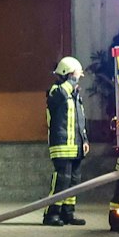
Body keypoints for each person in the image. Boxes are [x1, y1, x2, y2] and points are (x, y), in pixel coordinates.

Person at [42, 56, 89, 226]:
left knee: (74, 181)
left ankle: (68, 213)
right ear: (68, 75)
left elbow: (80, 120)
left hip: (75, 146)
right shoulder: (56, 92)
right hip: (61, 145)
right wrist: (71, 82)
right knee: (62, 179)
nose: (78, 80)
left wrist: (84, 140)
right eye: (76, 75)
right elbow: (61, 94)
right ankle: (51, 213)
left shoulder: (74, 95)